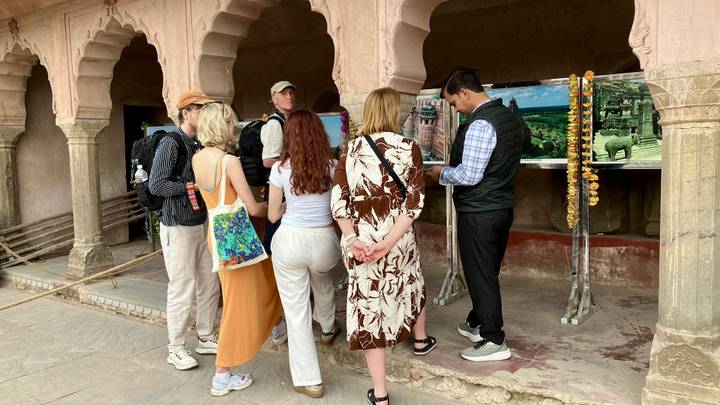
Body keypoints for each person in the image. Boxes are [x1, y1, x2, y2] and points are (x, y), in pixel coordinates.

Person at [331, 87, 437, 405]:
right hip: (398, 240)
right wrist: (388, 242)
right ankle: (419, 340)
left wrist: (353, 239)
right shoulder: (409, 148)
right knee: (412, 284)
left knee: (369, 311)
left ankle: (380, 394)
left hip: (360, 242)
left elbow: (339, 199)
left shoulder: (349, 151)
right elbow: (414, 204)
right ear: (393, 113)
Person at [428, 68, 527, 362]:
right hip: (500, 207)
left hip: (479, 211)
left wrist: (441, 173)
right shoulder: (509, 118)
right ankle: (476, 320)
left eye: (454, 102)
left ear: (465, 93)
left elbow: (470, 174)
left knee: (479, 272)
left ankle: (494, 339)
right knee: (486, 269)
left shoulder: (481, 124)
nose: (455, 108)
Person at [192, 102, 283, 396]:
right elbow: (255, 207)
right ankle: (222, 373)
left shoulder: (198, 157)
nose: (234, 127)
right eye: (230, 122)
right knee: (240, 303)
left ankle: (275, 327)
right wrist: (279, 205)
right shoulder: (229, 161)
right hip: (235, 237)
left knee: (254, 287)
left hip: (217, 234)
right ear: (222, 125)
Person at [267, 109, 341, 399]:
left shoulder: (279, 169)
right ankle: (327, 328)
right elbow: (337, 210)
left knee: (297, 313)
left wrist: (288, 207)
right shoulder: (333, 165)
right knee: (321, 276)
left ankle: (310, 380)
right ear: (319, 134)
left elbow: (273, 215)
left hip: (290, 242)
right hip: (324, 240)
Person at [149, 90, 220, 371]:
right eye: (200, 109)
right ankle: (175, 347)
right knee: (182, 286)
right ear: (186, 112)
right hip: (177, 225)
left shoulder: (199, 143)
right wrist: (190, 188)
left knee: (209, 283)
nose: (204, 113)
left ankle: (205, 335)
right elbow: (157, 185)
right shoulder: (171, 142)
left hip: (201, 222)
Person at [261, 80, 297, 345]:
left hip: (286, 190)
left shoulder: (287, 121)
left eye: (291, 93)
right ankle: (278, 320)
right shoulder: (274, 124)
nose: (289, 96)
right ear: (273, 98)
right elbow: (267, 160)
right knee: (278, 255)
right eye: (283, 93)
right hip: (279, 193)